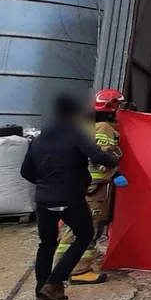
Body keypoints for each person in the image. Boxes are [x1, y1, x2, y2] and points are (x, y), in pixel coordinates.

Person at [21, 93, 119, 300]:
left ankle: (41, 292)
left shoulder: (39, 139)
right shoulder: (74, 135)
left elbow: (25, 171)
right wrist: (114, 160)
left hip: (44, 200)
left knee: (46, 245)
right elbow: (99, 156)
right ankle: (55, 281)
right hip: (70, 196)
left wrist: (45, 184)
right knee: (84, 235)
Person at [53, 88, 124, 284]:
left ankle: (62, 267)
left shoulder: (84, 125)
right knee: (88, 229)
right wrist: (114, 174)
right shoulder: (103, 128)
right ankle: (78, 270)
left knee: (72, 227)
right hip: (93, 188)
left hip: (79, 185)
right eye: (118, 106)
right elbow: (100, 157)